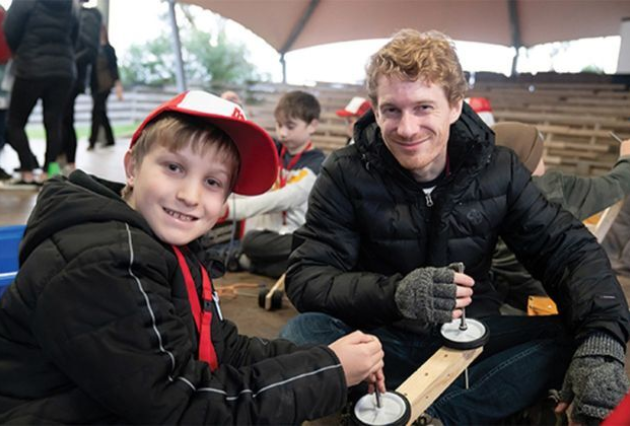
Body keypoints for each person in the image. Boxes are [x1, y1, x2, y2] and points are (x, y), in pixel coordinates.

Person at [279, 29, 630, 425]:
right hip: (379, 337)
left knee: (577, 336)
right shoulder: (344, 172)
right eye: (391, 110)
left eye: (424, 108)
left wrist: (601, 343)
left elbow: (569, 250)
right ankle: (457, 404)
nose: (407, 128)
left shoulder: (499, 169)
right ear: (374, 111)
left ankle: (433, 416)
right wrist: (397, 294)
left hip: (472, 337)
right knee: (302, 331)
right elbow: (306, 277)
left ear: (455, 106)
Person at [0, 90, 385, 424]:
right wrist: (327, 373)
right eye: (174, 167)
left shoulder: (166, 247)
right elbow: (181, 407)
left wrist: (326, 357)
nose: (190, 195)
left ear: (225, 200)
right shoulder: (105, 262)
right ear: (132, 166)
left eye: (212, 182)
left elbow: (220, 348)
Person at [491, 121, 630, 312]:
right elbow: (616, 184)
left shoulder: (479, 191)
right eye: (540, 154)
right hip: (545, 302)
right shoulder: (552, 188)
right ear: (528, 159)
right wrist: (627, 157)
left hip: (496, 302)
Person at [220, 90, 325, 278]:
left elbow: (281, 199)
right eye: (279, 125)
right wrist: (236, 112)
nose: (283, 133)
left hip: (297, 236)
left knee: (314, 245)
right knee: (252, 240)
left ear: (312, 125)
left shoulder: (317, 164)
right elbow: (248, 139)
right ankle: (295, 268)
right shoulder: (274, 150)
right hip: (269, 237)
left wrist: (228, 209)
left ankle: (250, 262)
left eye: (290, 126)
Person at [3, 0, 79, 186]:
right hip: (63, 69)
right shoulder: (71, 4)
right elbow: (75, 35)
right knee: (54, 121)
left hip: (31, 66)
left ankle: (27, 171)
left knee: (15, 122)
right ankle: (48, 172)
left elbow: (10, 29)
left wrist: (20, 52)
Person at [61, 0, 101, 171]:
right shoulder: (66, 12)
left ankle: (68, 164)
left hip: (71, 75)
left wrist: (69, 62)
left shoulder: (88, 15)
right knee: (59, 119)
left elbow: (91, 50)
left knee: (65, 119)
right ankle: (59, 164)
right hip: (63, 73)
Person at [87, 24, 122, 151]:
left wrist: (118, 84)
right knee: (101, 112)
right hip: (95, 85)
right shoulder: (93, 49)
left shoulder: (108, 49)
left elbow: (114, 67)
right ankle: (110, 139)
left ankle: (92, 141)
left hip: (105, 85)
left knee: (96, 112)